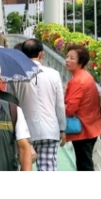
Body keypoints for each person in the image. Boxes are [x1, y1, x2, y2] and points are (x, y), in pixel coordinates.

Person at [16, 38, 66, 171]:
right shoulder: (54, 74)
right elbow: (60, 105)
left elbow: (11, 103)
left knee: (24, 168)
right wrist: (62, 129)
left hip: (23, 131)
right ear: (41, 54)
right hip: (49, 130)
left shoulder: (16, 76)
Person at [64, 44, 101, 171]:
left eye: (72, 58)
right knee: (85, 162)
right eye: (67, 56)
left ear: (80, 62)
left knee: (84, 165)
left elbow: (70, 110)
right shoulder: (86, 76)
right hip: (91, 126)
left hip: (83, 129)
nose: (67, 60)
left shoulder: (77, 81)